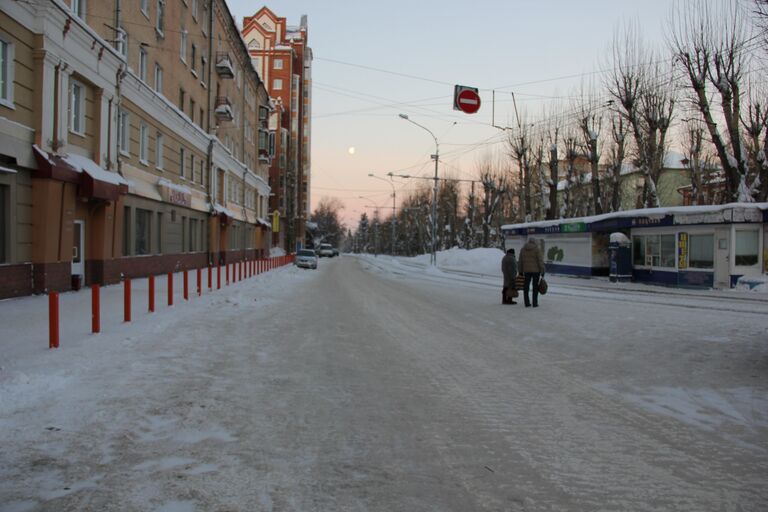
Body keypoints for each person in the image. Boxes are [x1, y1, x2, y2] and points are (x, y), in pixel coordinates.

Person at [518, 237, 546, 308]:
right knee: (535, 287)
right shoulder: (537, 249)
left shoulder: (523, 249)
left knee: (526, 287)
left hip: (526, 271)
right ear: (534, 242)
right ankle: (534, 303)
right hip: (536, 271)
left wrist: (520, 271)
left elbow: (520, 261)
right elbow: (540, 261)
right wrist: (542, 270)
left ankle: (527, 303)